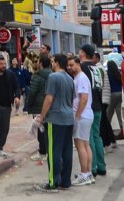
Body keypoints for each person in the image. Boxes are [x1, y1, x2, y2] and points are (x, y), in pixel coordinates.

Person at [34, 54, 75, 193]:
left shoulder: (53, 77)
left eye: (52, 61)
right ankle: (65, 181)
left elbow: (49, 98)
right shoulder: (70, 78)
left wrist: (42, 116)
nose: (51, 64)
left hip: (55, 118)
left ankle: (53, 182)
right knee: (67, 150)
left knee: (53, 151)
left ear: (57, 63)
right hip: (69, 118)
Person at [79, 44, 106, 177]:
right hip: (98, 106)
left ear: (83, 53)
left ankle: (93, 167)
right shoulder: (97, 68)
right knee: (97, 136)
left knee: (88, 139)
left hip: (88, 107)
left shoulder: (82, 68)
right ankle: (101, 166)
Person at [67, 56, 94, 186]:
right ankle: (88, 173)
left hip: (82, 116)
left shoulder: (81, 78)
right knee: (85, 144)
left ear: (78, 64)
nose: (69, 67)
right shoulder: (78, 77)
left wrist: (77, 115)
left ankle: (84, 174)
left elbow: (83, 98)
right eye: (68, 65)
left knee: (80, 145)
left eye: (72, 65)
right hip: (85, 115)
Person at [26, 55, 52, 161]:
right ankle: (47, 150)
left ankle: (42, 151)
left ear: (40, 63)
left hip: (38, 106)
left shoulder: (37, 76)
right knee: (47, 129)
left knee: (40, 129)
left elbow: (32, 92)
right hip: (50, 106)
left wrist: (29, 104)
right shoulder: (53, 74)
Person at [106, 59, 123, 137]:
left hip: (112, 94)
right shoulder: (118, 73)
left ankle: (107, 127)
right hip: (120, 93)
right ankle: (122, 128)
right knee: (119, 111)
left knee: (109, 111)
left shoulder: (108, 74)